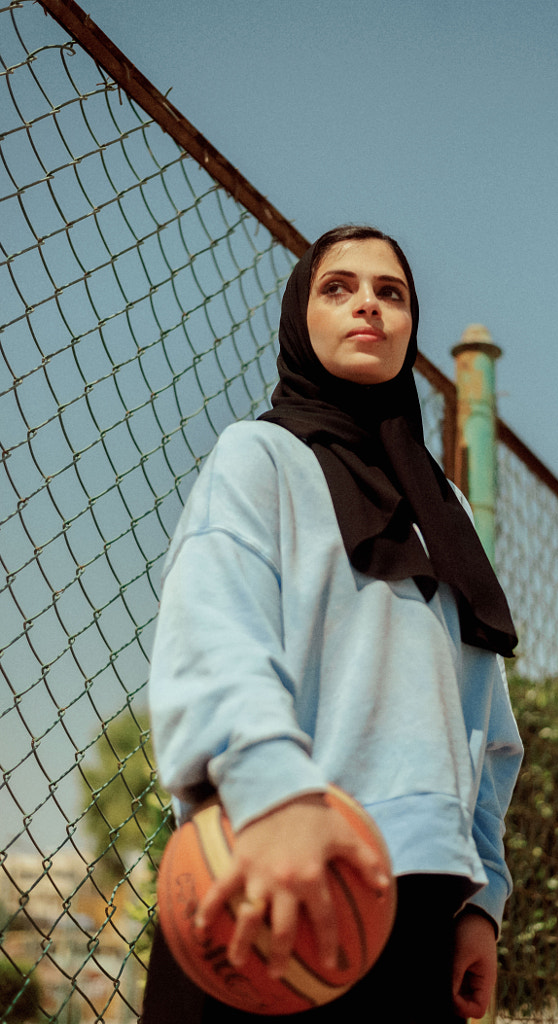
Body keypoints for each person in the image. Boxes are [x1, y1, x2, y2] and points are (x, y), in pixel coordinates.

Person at [143, 225, 523, 1023]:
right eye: (338, 288)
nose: (369, 307)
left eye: (392, 293)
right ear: (300, 318)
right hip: (271, 866)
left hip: (417, 906)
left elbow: (484, 726)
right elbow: (211, 630)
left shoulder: (443, 512)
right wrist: (273, 792)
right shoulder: (260, 456)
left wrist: (481, 899)